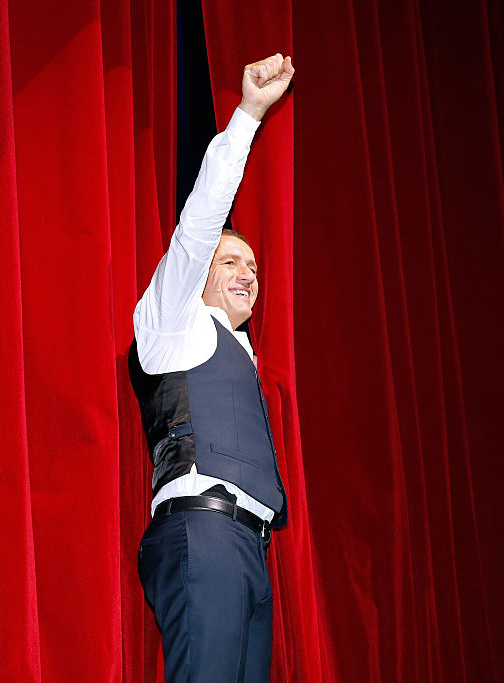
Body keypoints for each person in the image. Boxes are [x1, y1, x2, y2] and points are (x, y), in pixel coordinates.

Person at [128, 53, 295, 682]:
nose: (247, 274)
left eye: (253, 267)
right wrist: (249, 116)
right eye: (230, 262)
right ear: (196, 276)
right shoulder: (175, 323)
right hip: (205, 537)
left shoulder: (242, 352)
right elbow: (198, 223)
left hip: (247, 550)